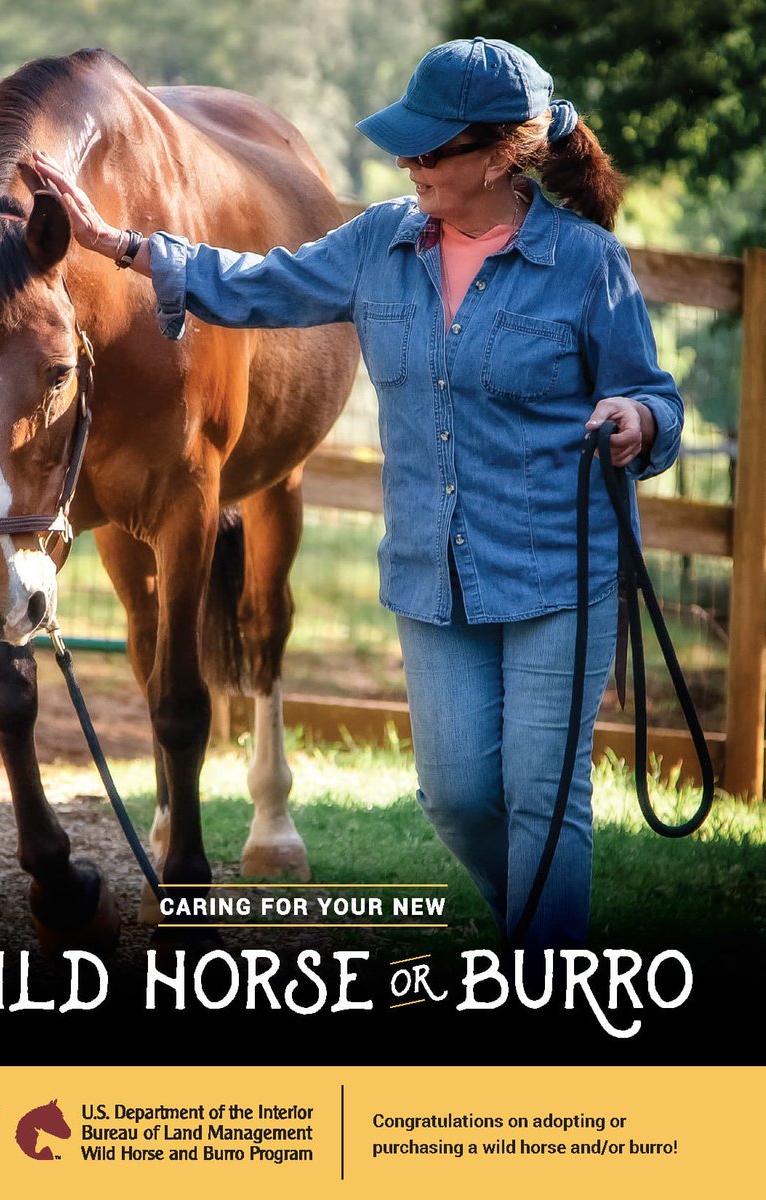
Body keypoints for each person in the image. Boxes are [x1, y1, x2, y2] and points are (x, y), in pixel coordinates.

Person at [34, 36, 683, 954]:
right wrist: (121, 246)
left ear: (500, 154)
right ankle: (542, 938)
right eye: (405, 149)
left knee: (545, 799)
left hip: (556, 566)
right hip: (433, 568)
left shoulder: (586, 265)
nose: (408, 165)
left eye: (431, 151)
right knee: (454, 796)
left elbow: (655, 396)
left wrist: (639, 419)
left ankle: (545, 976)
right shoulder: (381, 241)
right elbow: (253, 284)